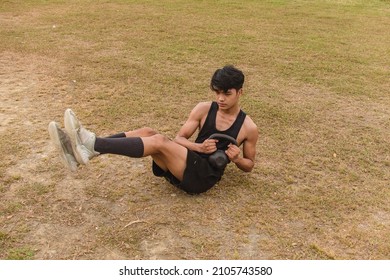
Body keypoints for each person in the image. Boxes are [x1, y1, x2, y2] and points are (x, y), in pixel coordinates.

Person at [48, 65, 258, 194]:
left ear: (240, 92)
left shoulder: (248, 127)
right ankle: (82, 151)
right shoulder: (204, 109)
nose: (220, 98)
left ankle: (92, 144)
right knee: (148, 131)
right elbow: (180, 138)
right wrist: (199, 147)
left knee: (158, 141)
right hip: (184, 162)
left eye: (227, 93)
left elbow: (249, 166)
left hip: (202, 178)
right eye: (217, 92)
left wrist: (238, 159)